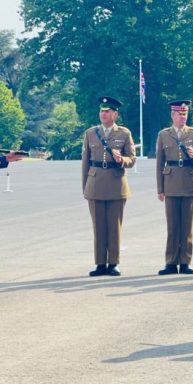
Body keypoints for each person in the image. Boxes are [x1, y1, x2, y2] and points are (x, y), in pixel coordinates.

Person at [81, 96, 136, 276]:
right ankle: (100, 264)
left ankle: (113, 263)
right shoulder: (91, 133)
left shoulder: (124, 133)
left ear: (115, 114)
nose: (103, 114)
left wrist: (122, 160)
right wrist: (85, 187)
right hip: (95, 183)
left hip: (115, 183)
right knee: (98, 226)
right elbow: (85, 162)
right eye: (102, 111)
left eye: (107, 111)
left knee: (114, 226)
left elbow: (132, 159)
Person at [155, 100, 193, 275]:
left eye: (185, 114)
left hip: (189, 182)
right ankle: (171, 262)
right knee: (172, 226)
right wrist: (160, 188)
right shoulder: (164, 134)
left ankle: (185, 262)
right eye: (179, 114)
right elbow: (160, 163)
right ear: (172, 115)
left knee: (187, 226)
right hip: (170, 183)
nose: (183, 117)